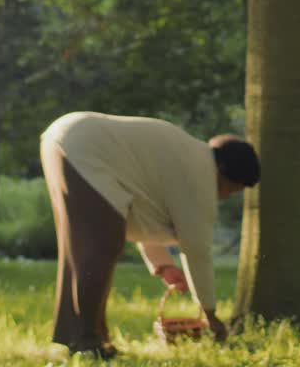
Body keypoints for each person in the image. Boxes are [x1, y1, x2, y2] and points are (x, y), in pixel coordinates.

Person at [39, 111, 259, 359]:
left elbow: (142, 217)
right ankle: (87, 343)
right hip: (84, 145)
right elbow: (197, 250)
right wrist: (210, 314)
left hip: (63, 137)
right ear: (224, 171)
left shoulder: (189, 156)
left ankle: (91, 338)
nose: (226, 196)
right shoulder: (202, 175)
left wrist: (164, 266)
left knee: (88, 249)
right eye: (231, 189)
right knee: (99, 248)